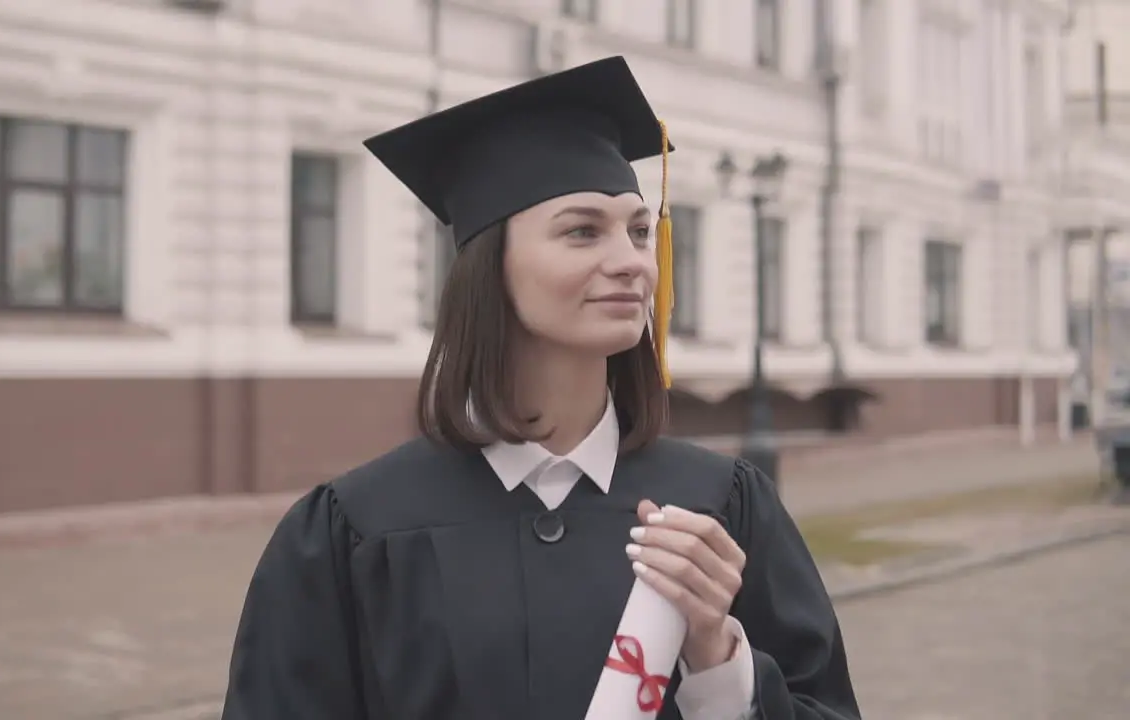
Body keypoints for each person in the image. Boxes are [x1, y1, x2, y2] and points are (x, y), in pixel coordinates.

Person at [221, 56, 861, 720]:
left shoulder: (720, 510)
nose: (631, 262)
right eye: (583, 231)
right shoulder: (354, 530)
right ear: (489, 267)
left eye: (640, 231)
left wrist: (719, 664)